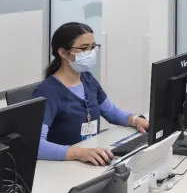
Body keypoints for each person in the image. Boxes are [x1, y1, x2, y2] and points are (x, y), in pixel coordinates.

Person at [33, 22, 148, 166]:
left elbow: (111, 112)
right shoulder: (47, 92)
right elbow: (36, 145)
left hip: (90, 161)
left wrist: (135, 119)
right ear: (63, 52)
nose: (90, 52)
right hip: (63, 166)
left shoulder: (87, 79)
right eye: (84, 48)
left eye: (93, 47)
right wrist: (78, 153)